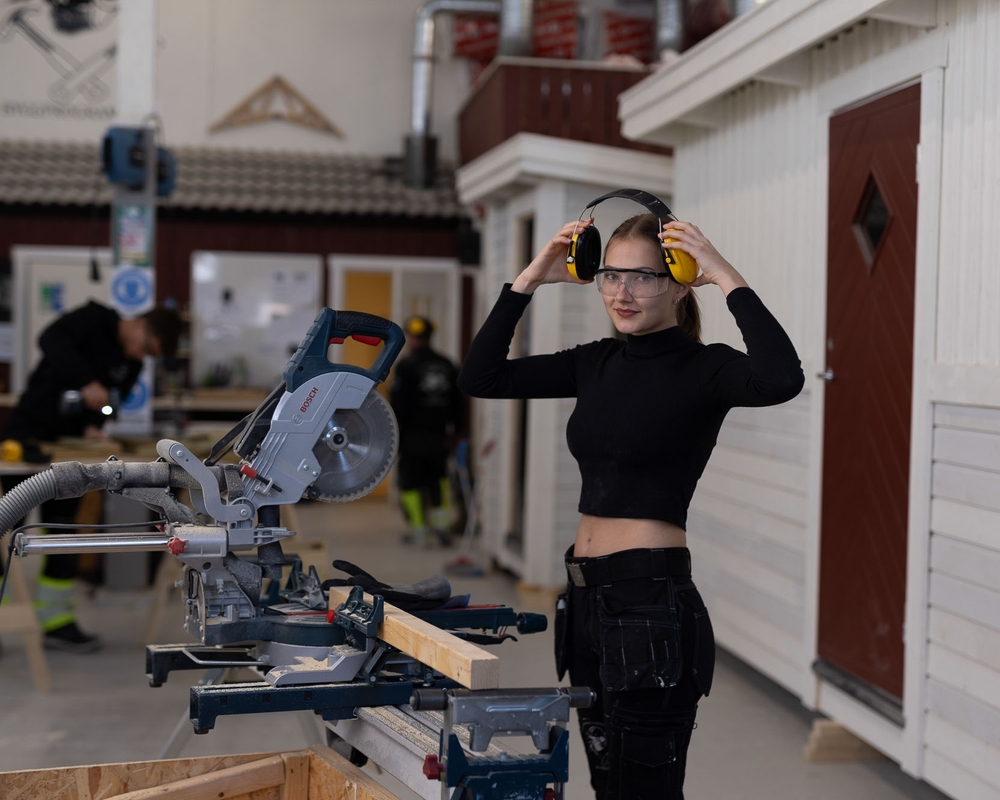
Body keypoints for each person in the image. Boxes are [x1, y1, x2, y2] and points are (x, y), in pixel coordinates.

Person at [457, 213, 804, 798]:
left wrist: (723, 273)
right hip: (586, 599)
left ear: (680, 281)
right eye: (612, 275)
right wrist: (531, 278)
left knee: (644, 791)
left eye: (643, 277)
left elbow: (781, 378)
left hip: (650, 604)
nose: (622, 292)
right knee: (607, 783)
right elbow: (481, 377)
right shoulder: (595, 362)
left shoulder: (705, 368)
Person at [0, 301, 182, 653]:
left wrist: (92, 427)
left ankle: (56, 622)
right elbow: (49, 339)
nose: (141, 356)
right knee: (7, 522)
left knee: (63, 533)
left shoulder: (130, 365)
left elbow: (107, 405)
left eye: (149, 355)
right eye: (145, 347)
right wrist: (85, 382)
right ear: (140, 324)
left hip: (69, 452)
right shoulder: (94, 319)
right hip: (27, 434)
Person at [390, 315, 463, 546]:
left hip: (411, 436)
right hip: (439, 435)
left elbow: (397, 405)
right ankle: (441, 524)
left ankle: (419, 530)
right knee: (438, 479)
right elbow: (458, 403)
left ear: (412, 338)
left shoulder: (405, 366)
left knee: (410, 483)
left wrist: (394, 438)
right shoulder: (447, 364)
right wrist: (457, 432)